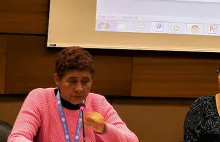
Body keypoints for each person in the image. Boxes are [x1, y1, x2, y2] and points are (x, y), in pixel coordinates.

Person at [8, 46, 138, 142]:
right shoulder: (40, 98)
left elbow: (132, 140)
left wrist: (104, 128)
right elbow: (17, 138)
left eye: (85, 82)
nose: (79, 89)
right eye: (72, 81)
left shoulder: (98, 103)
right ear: (57, 79)